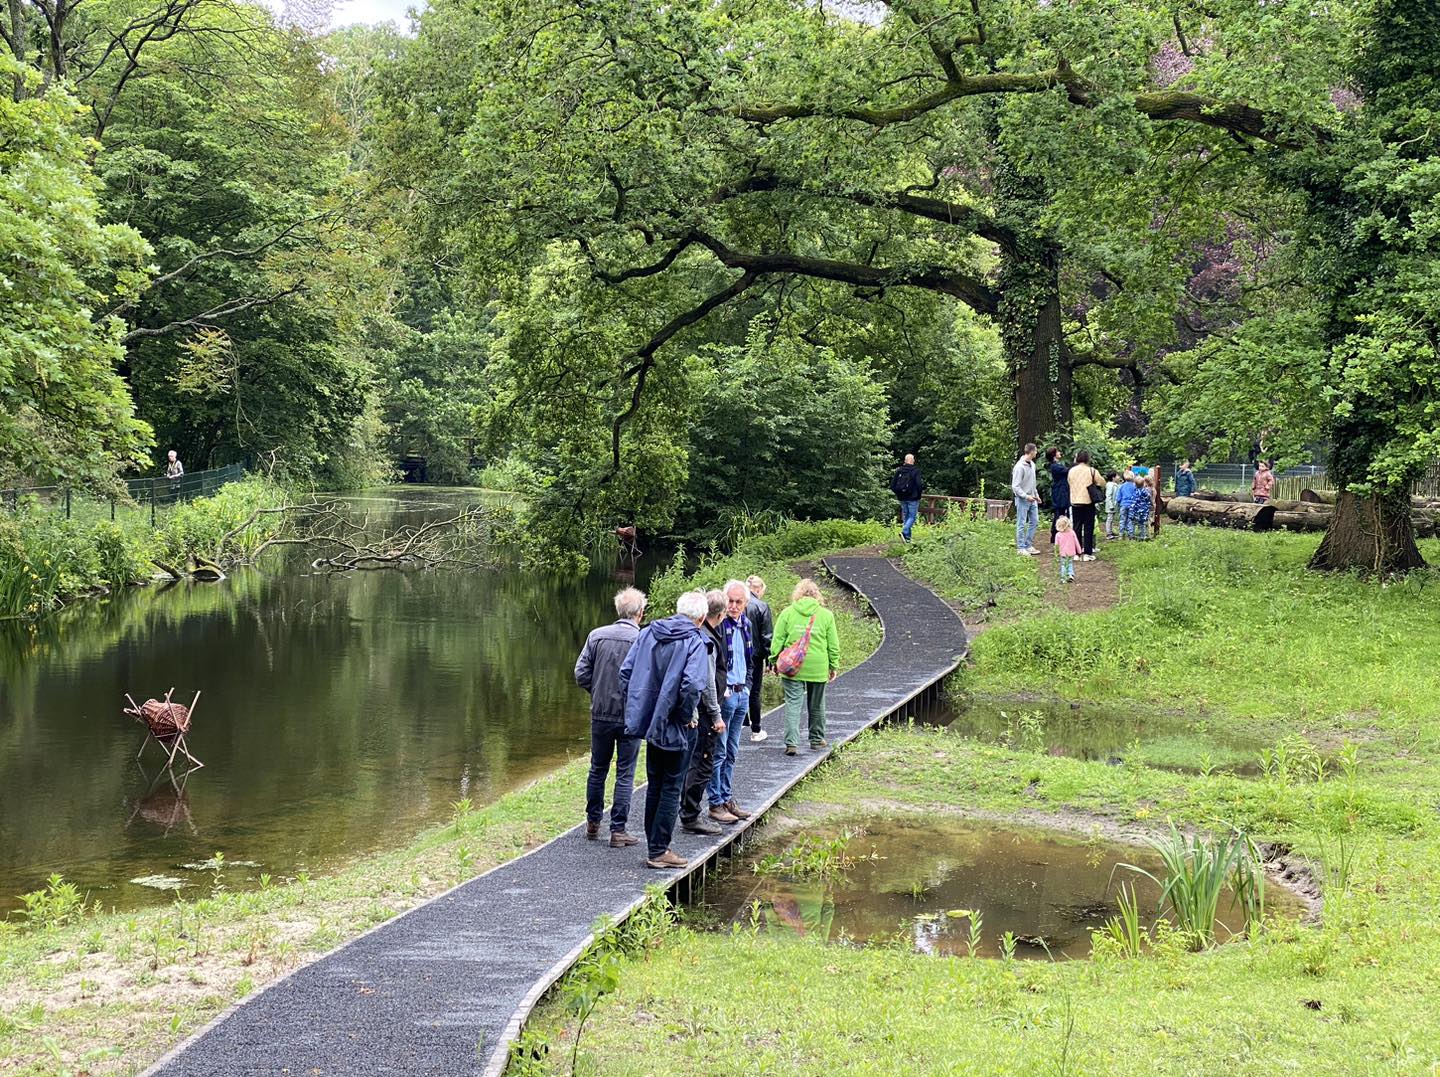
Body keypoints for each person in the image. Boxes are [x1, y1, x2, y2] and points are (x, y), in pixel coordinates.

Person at [619, 589, 711, 869]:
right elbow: (693, 685)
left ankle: (655, 846)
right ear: (702, 617)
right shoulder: (695, 640)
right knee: (671, 785)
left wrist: (640, 708)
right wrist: (684, 716)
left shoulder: (648, 632)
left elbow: (626, 673)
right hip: (677, 725)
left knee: (655, 783)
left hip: (651, 723)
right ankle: (659, 850)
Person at [574, 587, 647, 847]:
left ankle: (593, 823)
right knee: (625, 773)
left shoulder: (597, 636)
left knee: (598, 768)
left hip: (601, 714)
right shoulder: (643, 639)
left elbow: (581, 673)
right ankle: (618, 830)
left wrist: (597, 692)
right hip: (631, 716)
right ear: (640, 613)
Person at [679, 591, 730, 836]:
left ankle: (688, 811)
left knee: (693, 760)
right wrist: (716, 715)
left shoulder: (696, 635)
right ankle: (690, 815)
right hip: (703, 711)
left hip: (692, 710)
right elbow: (706, 682)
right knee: (702, 762)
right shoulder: (705, 639)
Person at [769, 579, 840, 755]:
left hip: (793, 667)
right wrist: (833, 665)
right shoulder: (826, 615)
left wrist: (773, 660)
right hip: (818, 665)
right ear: (817, 595)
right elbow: (833, 645)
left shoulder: (787, 613)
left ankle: (792, 743)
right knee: (817, 704)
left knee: (793, 704)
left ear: (798, 594)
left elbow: (777, 640)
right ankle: (816, 739)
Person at [707, 581, 754, 822]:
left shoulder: (746, 625)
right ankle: (715, 802)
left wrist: (746, 687)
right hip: (724, 696)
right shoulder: (718, 627)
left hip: (741, 694)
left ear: (745, 604)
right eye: (731, 602)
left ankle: (726, 797)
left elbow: (750, 659)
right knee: (719, 750)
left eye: (739, 602)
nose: (734, 606)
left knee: (732, 750)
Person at [745, 575, 773, 742]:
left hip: (738, 654)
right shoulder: (762, 606)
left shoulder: (734, 603)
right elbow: (767, 636)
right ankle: (756, 729)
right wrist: (771, 659)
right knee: (754, 691)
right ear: (758, 589)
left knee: (737, 687)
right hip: (755, 655)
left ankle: (741, 722)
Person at [1066, 450, 1104, 561]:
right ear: (1088, 458)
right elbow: (1101, 482)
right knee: (1088, 527)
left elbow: (1069, 482)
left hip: (1075, 501)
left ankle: (1076, 553)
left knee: (1076, 527)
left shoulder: (1071, 471)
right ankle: (1087, 553)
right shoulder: (1092, 471)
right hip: (1088, 502)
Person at [1011, 443, 1041, 556]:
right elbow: (1015, 486)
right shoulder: (1019, 467)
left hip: (1032, 498)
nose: (1037, 453)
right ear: (1031, 452)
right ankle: (1021, 547)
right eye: (1036, 451)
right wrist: (1025, 496)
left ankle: (1028, 545)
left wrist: (1036, 495)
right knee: (1021, 523)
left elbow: (1032, 483)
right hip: (1022, 499)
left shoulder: (1032, 464)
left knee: (1035, 521)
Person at [890, 453, 924, 543]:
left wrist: (899, 494)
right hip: (913, 498)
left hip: (902, 498)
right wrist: (919, 494)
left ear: (905, 461)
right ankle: (905, 531)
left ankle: (907, 539)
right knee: (912, 517)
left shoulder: (899, 470)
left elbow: (892, 485)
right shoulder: (915, 471)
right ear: (913, 461)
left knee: (906, 516)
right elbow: (919, 485)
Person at [1046, 447, 1071, 544]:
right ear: (1053, 455)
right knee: (1059, 512)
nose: (1060, 453)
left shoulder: (1057, 465)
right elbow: (1067, 470)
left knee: (1060, 512)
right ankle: (1056, 534)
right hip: (1060, 492)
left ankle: (1057, 534)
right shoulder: (1055, 466)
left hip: (1062, 491)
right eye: (1057, 452)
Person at [1054, 515, 1082, 583]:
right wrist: (1079, 550)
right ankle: (1070, 574)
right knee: (1069, 563)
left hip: (1062, 552)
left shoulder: (1058, 535)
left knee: (1063, 564)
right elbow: (1076, 542)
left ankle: (1064, 577)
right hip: (1071, 552)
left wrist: (1056, 553)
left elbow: (1056, 545)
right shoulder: (1072, 532)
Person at [1129, 475, 1153, 539]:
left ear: (1135, 484)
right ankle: (1143, 536)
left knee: (1132, 523)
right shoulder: (1145, 491)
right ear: (1143, 484)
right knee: (1142, 524)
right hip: (1143, 511)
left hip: (1135, 511)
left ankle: (1131, 535)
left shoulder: (1134, 491)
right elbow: (1149, 498)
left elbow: (1132, 501)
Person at [1117, 470, 1137, 539]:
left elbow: (1118, 498)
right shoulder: (1135, 486)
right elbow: (1136, 496)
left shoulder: (1121, 486)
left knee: (1122, 520)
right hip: (1132, 506)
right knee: (1130, 520)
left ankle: (1121, 534)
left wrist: (1119, 502)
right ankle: (1131, 535)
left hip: (1123, 505)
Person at [1104, 471, 1121, 539]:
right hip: (1110, 506)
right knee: (1109, 519)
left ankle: (1110, 532)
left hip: (1113, 505)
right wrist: (1111, 505)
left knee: (1111, 519)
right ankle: (1108, 533)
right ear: (1113, 477)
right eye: (1117, 476)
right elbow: (1108, 496)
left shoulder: (1114, 484)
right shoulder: (1110, 485)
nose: (1118, 477)